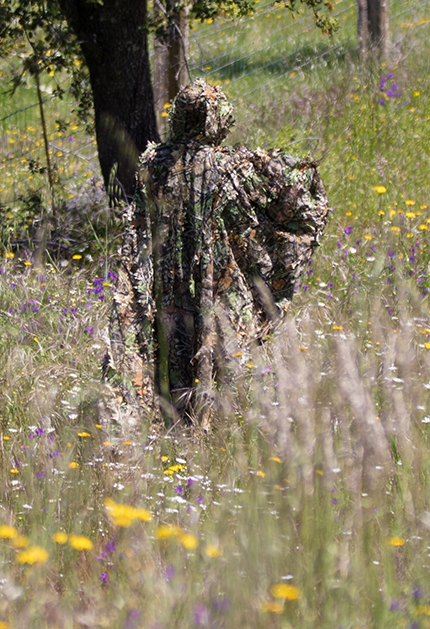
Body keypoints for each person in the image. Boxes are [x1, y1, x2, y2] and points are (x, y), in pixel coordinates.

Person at [106, 79, 328, 423]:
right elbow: (290, 199)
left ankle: (176, 432)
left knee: (168, 357)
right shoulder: (227, 167)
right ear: (217, 120)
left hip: (163, 287)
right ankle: (198, 433)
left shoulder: (152, 165)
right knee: (207, 361)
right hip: (210, 288)